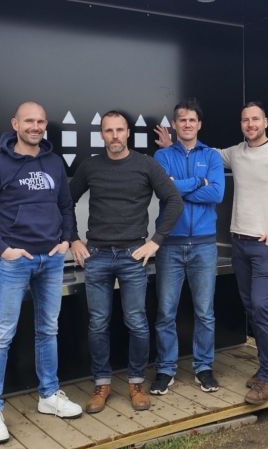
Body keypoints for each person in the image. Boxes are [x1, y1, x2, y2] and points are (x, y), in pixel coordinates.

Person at [155, 101, 268, 405]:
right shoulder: (232, 153)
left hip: (267, 243)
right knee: (251, 307)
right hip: (237, 241)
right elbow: (173, 181)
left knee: (261, 306)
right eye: (245, 120)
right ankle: (265, 367)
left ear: (265, 122)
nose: (250, 124)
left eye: (255, 119)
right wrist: (179, 158)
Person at [0, 102, 82, 445]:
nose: (35, 126)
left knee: (48, 329)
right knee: (1, 335)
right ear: (15, 124)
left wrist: (65, 240)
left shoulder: (54, 162)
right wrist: (4, 249)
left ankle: (49, 395)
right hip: (16, 261)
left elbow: (66, 206)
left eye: (40, 121)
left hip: (52, 260)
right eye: (29, 120)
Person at [69, 110, 184, 413]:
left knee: (136, 322)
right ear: (102, 134)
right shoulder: (90, 166)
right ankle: (102, 384)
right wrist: (73, 238)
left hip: (134, 255)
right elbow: (65, 202)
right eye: (109, 131)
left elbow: (174, 200)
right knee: (98, 323)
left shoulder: (146, 164)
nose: (115, 136)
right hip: (97, 255)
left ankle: (136, 382)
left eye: (120, 130)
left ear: (128, 133)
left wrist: (155, 241)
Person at [150, 98, 225, 396]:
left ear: (199, 124)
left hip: (204, 246)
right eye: (182, 119)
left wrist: (180, 187)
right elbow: (164, 191)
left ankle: (203, 367)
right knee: (165, 312)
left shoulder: (212, 156)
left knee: (205, 312)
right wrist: (199, 181)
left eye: (192, 119)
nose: (187, 124)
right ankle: (165, 369)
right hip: (169, 244)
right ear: (175, 124)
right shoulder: (162, 155)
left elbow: (217, 193)